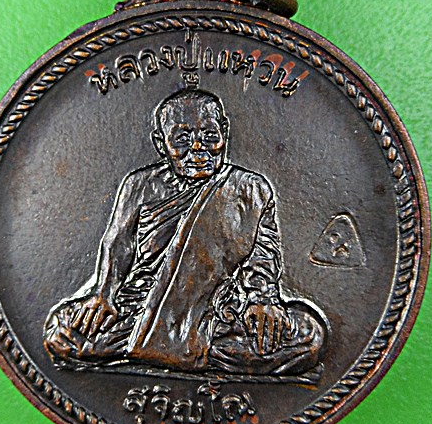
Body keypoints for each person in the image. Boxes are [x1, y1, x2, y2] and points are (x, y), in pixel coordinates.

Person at [44, 88, 327, 377]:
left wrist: (262, 301)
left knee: (309, 334)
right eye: (182, 139)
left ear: (225, 132)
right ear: (161, 143)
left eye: (209, 136)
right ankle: (176, 349)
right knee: (60, 330)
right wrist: (104, 295)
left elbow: (262, 255)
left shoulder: (250, 189)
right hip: (141, 309)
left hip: (216, 314)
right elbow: (117, 245)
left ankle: (157, 350)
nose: (198, 148)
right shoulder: (139, 185)